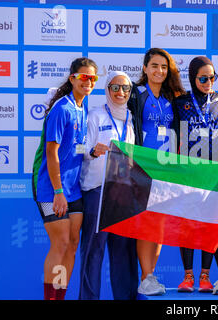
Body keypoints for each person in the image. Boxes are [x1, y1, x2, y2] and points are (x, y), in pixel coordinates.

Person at [32, 57, 98, 300]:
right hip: (53, 190)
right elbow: (52, 152)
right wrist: (58, 192)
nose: (88, 82)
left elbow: (74, 149)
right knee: (59, 245)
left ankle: (60, 296)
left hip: (75, 189)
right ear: (73, 78)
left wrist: (90, 152)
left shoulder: (82, 108)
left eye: (92, 78)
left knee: (71, 245)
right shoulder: (62, 108)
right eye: (83, 77)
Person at [172, 56, 218, 294]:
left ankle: (205, 277)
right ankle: (188, 276)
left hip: (213, 174)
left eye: (212, 77)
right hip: (189, 174)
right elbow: (167, 134)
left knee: (210, 225)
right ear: (193, 78)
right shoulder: (179, 102)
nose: (208, 82)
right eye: (203, 78)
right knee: (188, 225)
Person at [127, 48, 186, 296]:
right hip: (143, 168)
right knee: (146, 225)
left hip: (167, 169)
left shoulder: (174, 97)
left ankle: (151, 276)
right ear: (144, 68)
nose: (159, 71)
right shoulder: (135, 94)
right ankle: (145, 276)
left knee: (159, 226)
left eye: (163, 66)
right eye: (154, 65)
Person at [78, 71, 139, 300]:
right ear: (107, 89)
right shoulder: (94, 116)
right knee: (93, 252)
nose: (120, 92)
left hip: (124, 193)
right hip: (98, 191)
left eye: (125, 88)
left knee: (124, 251)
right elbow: (78, 149)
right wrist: (92, 151)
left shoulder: (133, 119)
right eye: (115, 87)